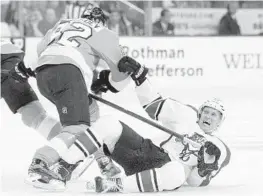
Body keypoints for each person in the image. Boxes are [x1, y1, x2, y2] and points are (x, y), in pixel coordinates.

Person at [84, 56, 231, 193]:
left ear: (219, 122)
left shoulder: (220, 149)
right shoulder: (186, 114)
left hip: (166, 170)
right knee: (109, 125)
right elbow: (153, 105)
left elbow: (193, 182)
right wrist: (140, 79)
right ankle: (70, 163)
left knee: (177, 173)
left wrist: (202, 171)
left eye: (214, 115)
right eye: (206, 112)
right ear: (199, 114)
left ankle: (114, 184)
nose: (208, 116)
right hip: (146, 152)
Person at [26, 7, 130, 190]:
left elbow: (35, 56)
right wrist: (106, 82)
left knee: (91, 111)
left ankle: (103, 161)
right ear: (102, 21)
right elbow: (120, 76)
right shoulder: (103, 31)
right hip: (68, 73)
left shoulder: (63, 24)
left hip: (44, 74)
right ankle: (40, 164)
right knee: (77, 127)